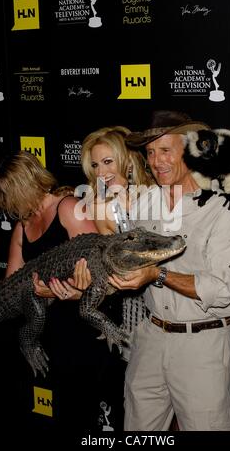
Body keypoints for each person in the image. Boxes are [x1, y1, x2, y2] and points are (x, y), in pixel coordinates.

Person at [108, 110, 230, 431]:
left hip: (201, 344)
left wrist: (157, 275)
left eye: (165, 151)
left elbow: (220, 290)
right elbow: (124, 260)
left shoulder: (224, 213)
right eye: (149, 152)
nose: (156, 161)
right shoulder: (144, 205)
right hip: (149, 338)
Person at [0, 151, 117, 443]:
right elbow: (11, 282)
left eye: (8, 196)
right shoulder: (22, 225)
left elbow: (99, 269)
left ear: (26, 184)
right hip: (42, 332)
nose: (5, 206)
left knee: (77, 417)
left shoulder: (68, 207)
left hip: (77, 327)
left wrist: (69, 291)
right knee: (45, 421)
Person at [80, 126, 153, 361]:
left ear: (127, 160)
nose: (100, 172)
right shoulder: (100, 205)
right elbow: (112, 260)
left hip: (174, 302)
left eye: (107, 161)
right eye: (95, 165)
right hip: (135, 304)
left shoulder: (157, 191)